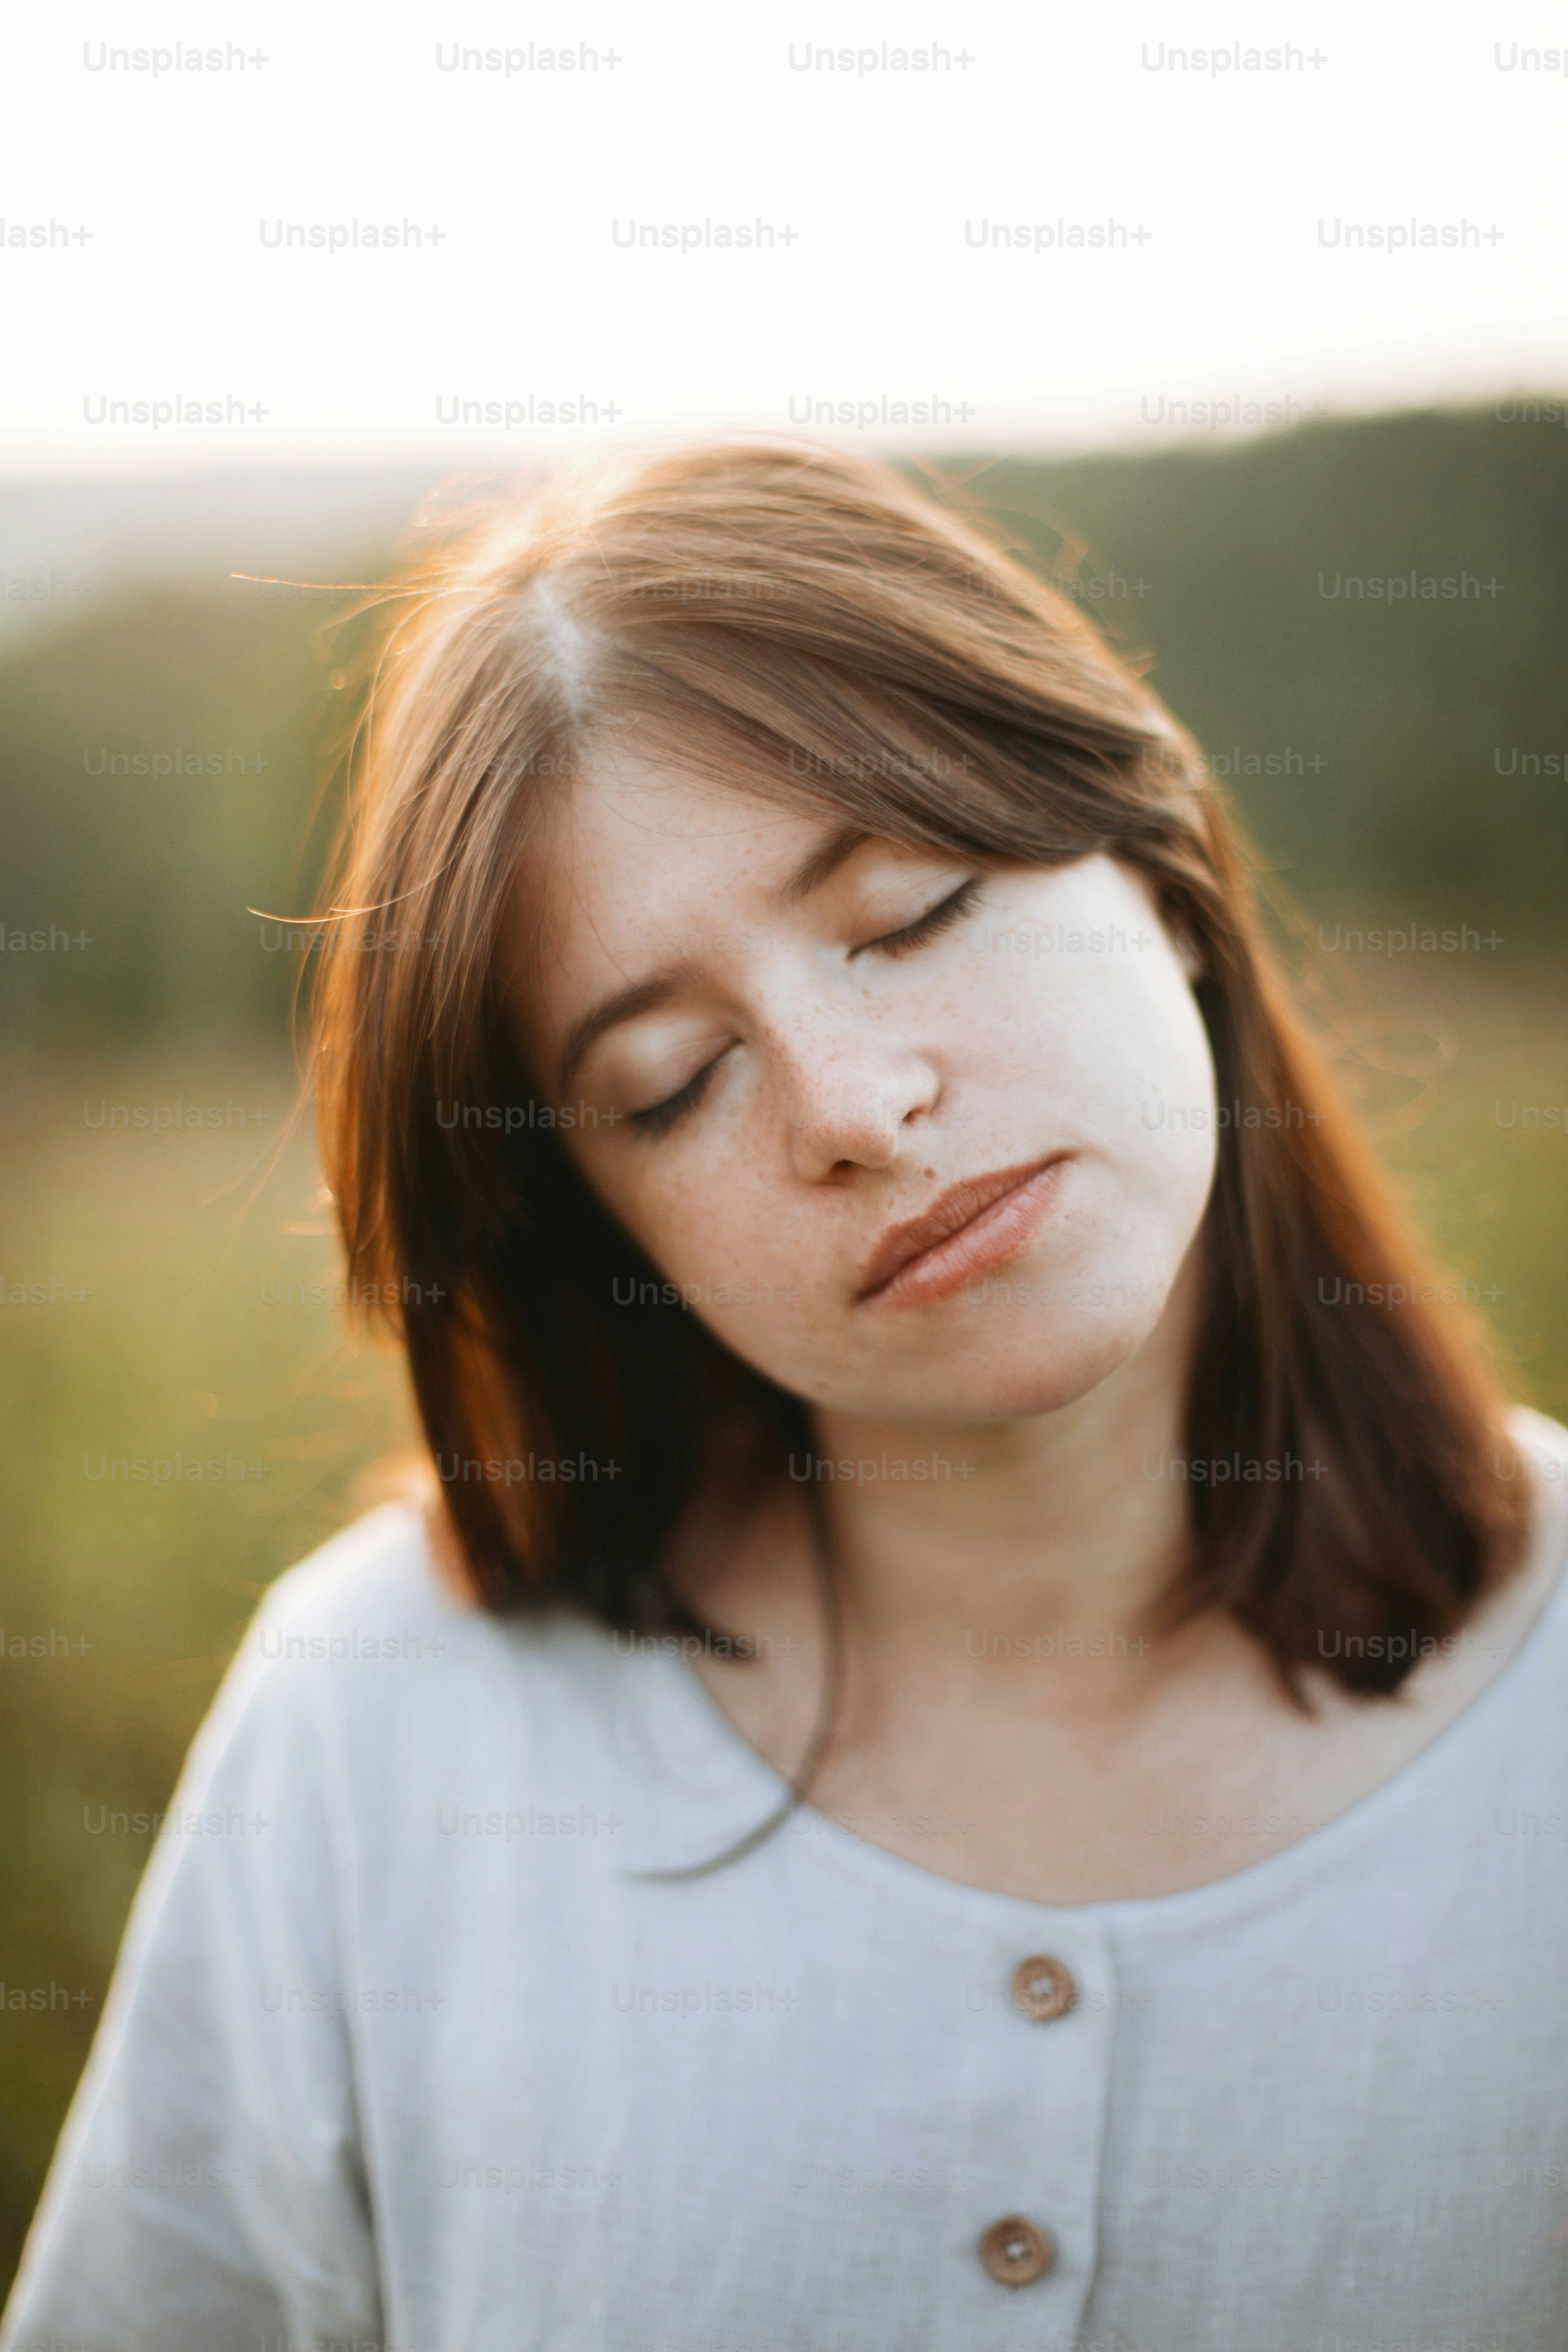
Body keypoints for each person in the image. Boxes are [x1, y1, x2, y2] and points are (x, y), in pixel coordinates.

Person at [5, 439, 1565, 2352]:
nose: (850, 1105)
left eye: (913, 912)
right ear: (598, 1220)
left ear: (1154, 864)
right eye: (670, 1081)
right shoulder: (379, 1735)